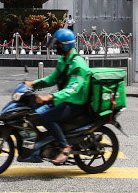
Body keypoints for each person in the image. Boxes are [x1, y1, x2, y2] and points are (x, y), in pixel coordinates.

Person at [23, 28, 90, 164]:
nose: (55, 47)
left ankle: (65, 147)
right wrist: (33, 84)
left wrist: (50, 97)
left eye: (58, 45)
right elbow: (52, 79)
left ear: (66, 45)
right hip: (64, 100)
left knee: (46, 118)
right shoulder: (64, 60)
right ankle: (41, 143)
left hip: (75, 103)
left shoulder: (78, 65)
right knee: (33, 108)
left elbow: (73, 89)